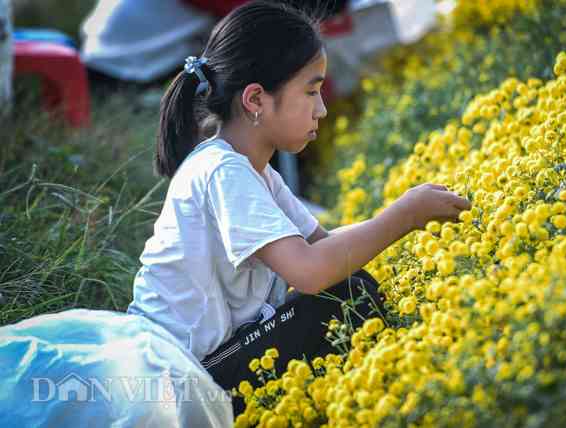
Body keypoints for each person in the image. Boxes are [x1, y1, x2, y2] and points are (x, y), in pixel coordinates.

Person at [126, 0, 471, 416]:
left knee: (346, 286)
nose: (322, 109)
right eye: (311, 91)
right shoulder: (222, 172)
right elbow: (309, 271)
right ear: (256, 99)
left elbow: (323, 245)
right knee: (342, 297)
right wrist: (402, 216)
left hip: (210, 366)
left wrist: (409, 217)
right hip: (181, 384)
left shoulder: (257, 173)